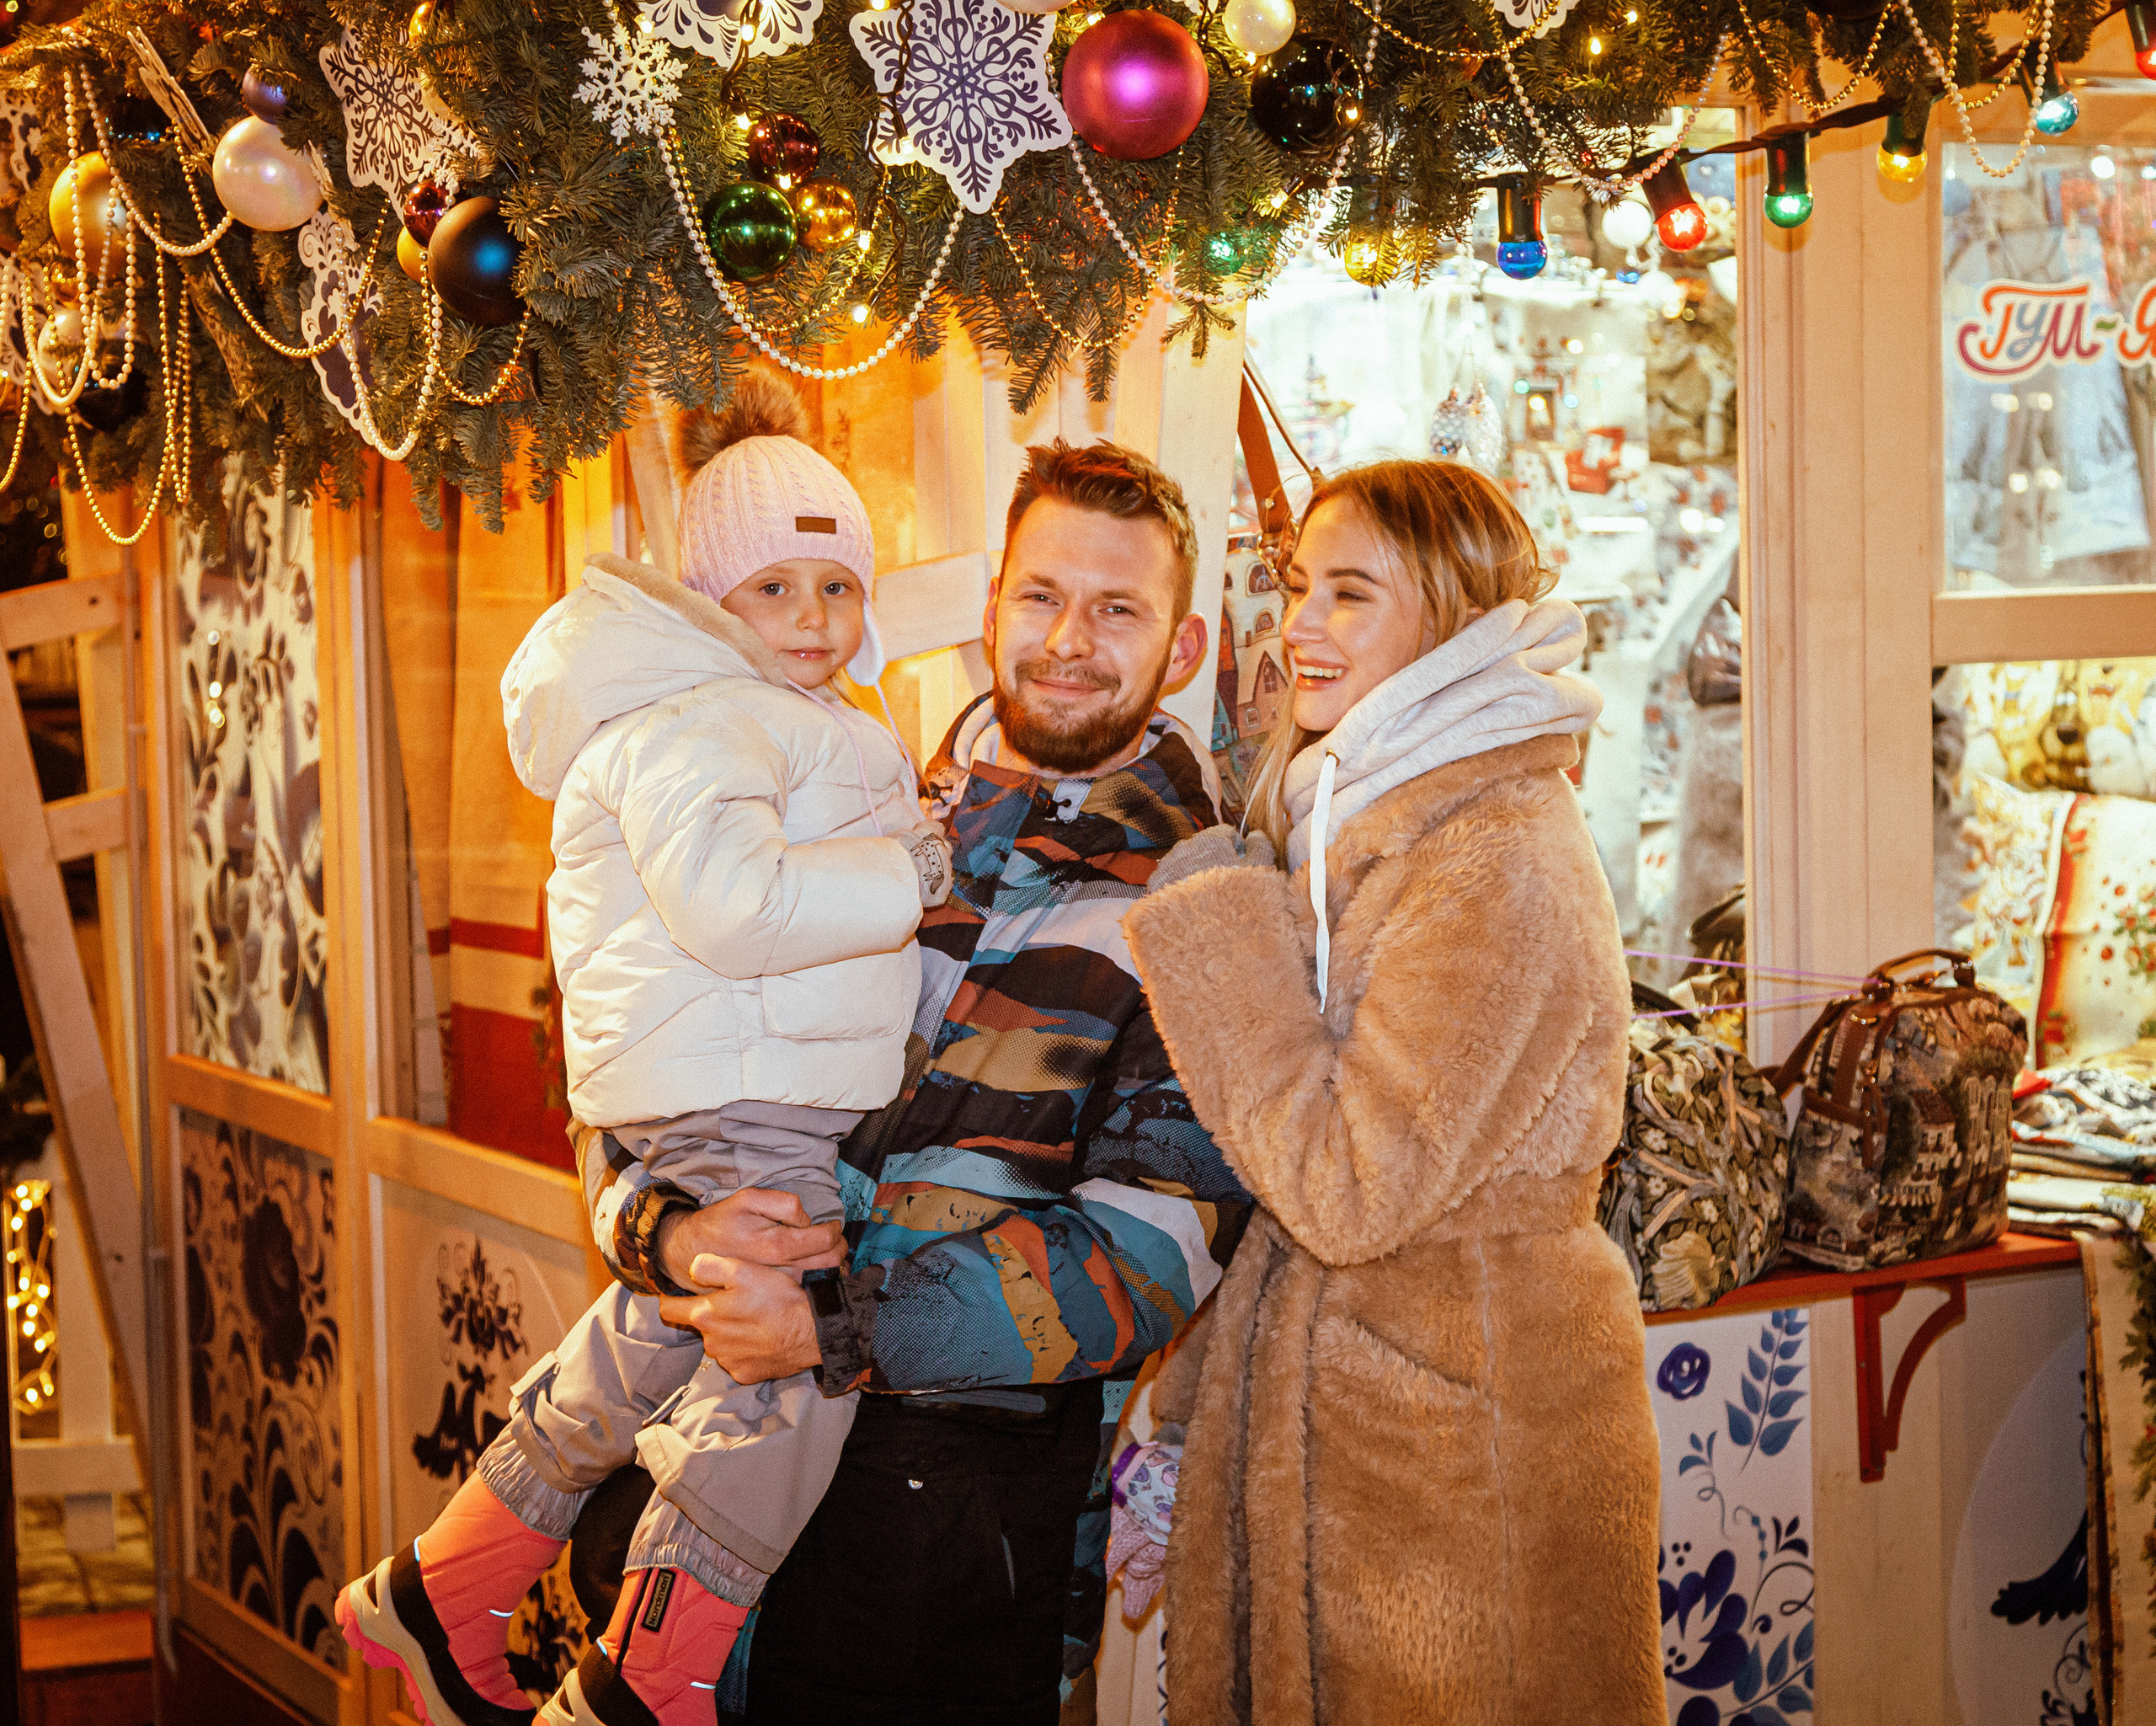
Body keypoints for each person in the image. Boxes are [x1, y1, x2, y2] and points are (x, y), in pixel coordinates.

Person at [334, 373, 954, 1726]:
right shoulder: (701, 717)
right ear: (710, 601)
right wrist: (910, 867)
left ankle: (445, 1585)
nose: (813, 619)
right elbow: (735, 909)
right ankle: (646, 1688)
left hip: (749, 1086)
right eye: (774, 590)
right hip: (740, 1091)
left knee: (658, 1338)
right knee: (783, 1378)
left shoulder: (783, 714)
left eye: (836, 587)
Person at [606, 438, 1253, 1724]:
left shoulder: (1207, 902)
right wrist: (666, 1233)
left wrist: (833, 1323)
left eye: (1118, 609)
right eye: (1042, 596)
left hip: (956, 1530)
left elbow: (1147, 1258)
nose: (1070, 638)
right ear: (991, 610)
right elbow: (659, 1060)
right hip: (706, 1463)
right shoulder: (864, 813)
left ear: (1180, 649)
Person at [1122, 458, 1665, 1723]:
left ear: (1455, 618)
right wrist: (1193, 1420)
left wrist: (1217, 931)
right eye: (1299, 587)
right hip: (1376, 1429)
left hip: (1461, 1461)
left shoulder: (1497, 853)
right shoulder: (1378, 818)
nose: (1298, 625)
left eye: (1347, 594)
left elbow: (1347, 1184)